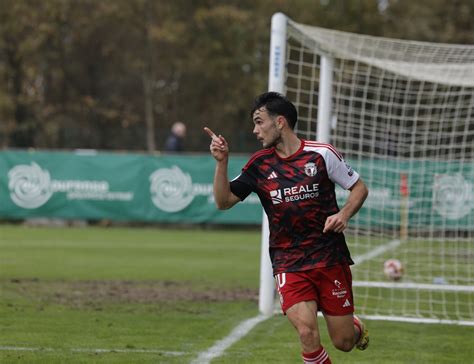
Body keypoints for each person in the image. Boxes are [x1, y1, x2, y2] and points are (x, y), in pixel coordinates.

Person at [204, 92, 369, 363]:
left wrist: (344, 214)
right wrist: (222, 163)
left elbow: (359, 188)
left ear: (280, 122)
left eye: (259, 122)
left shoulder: (321, 155)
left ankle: (354, 326)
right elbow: (223, 202)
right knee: (306, 332)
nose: (255, 130)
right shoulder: (260, 164)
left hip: (329, 257)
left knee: (344, 342)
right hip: (288, 261)